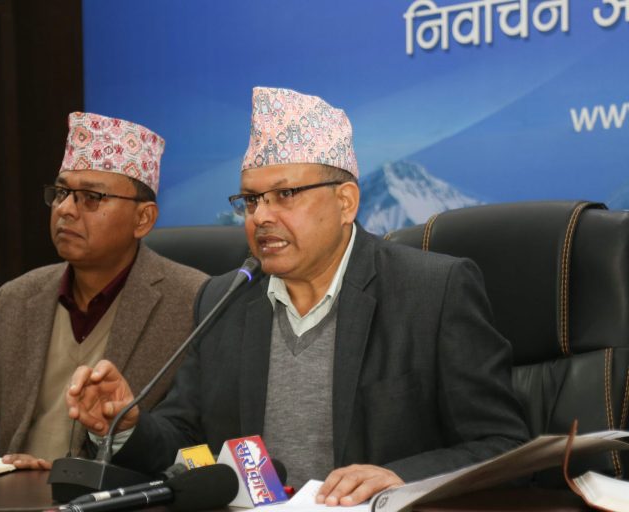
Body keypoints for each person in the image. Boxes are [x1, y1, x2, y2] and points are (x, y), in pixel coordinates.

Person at [66, 88, 530, 505]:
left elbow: (504, 445)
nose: (261, 217)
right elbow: (187, 441)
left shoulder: (433, 291)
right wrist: (125, 423)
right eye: (251, 200)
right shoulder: (224, 298)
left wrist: (400, 477)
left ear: (346, 202)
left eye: (285, 194)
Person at [0, 112, 208, 469]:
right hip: (9, 490)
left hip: (113, 493)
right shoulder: (16, 298)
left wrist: (61, 473)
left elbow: (189, 439)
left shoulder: (193, 301)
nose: (66, 210)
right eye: (61, 193)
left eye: (91, 197)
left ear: (143, 219)